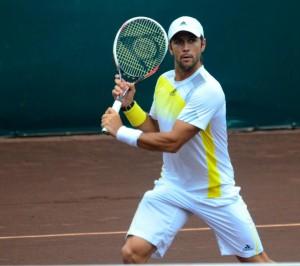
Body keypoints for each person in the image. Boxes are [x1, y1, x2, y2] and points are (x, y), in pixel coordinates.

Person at [101, 16, 272, 264]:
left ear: (203, 44)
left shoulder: (208, 90)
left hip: (214, 191)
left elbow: (172, 142)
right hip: (173, 185)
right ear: (170, 47)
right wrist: (129, 107)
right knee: (132, 253)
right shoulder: (164, 82)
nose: (185, 47)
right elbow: (156, 130)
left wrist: (120, 131)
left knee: (257, 261)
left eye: (191, 40)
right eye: (179, 41)